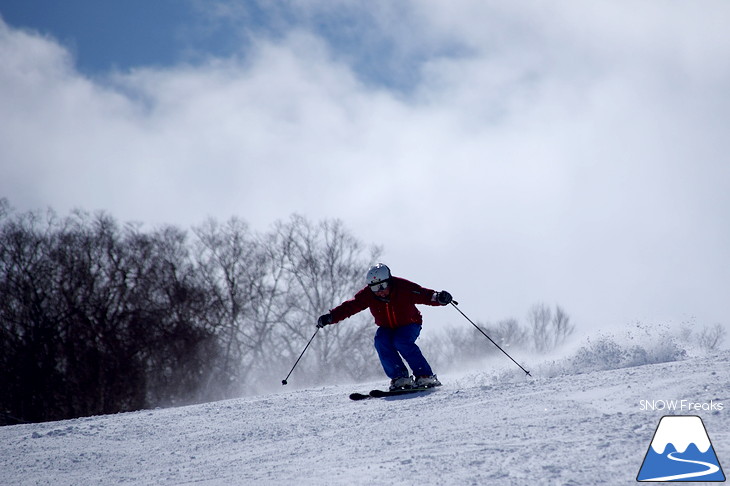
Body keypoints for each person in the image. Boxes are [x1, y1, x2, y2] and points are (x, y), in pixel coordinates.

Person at [317, 263, 453, 391]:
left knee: (401, 341)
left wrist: (439, 298)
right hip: (387, 327)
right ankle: (400, 377)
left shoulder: (403, 287)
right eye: (375, 288)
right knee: (381, 341)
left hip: (410, 323)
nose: (379, 291)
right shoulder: (368, 295)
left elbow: (424, 295)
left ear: (390, 281)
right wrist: (331, 317)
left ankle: (425, 376)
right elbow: (350, 306)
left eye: (382, 286)